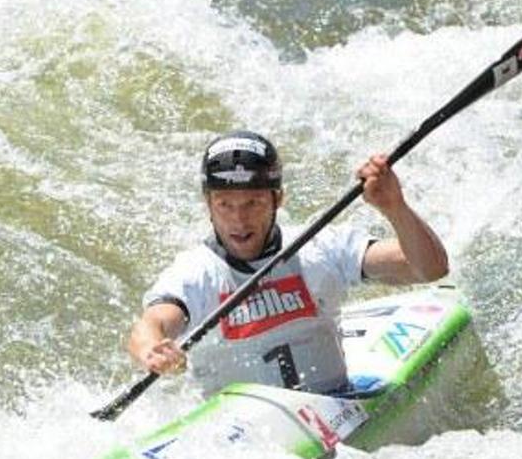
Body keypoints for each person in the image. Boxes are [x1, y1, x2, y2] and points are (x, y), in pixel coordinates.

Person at [127, 130, 449, 396]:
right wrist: (153, 351)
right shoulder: (195, 272)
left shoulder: (320, 247)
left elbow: (430, 268)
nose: (239, 220)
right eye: (225, 205)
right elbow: (152, 323)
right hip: (238, 438)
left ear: (278, 199)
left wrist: (394, 207)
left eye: (253, 202)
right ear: (208, 204)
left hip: (336, 405)